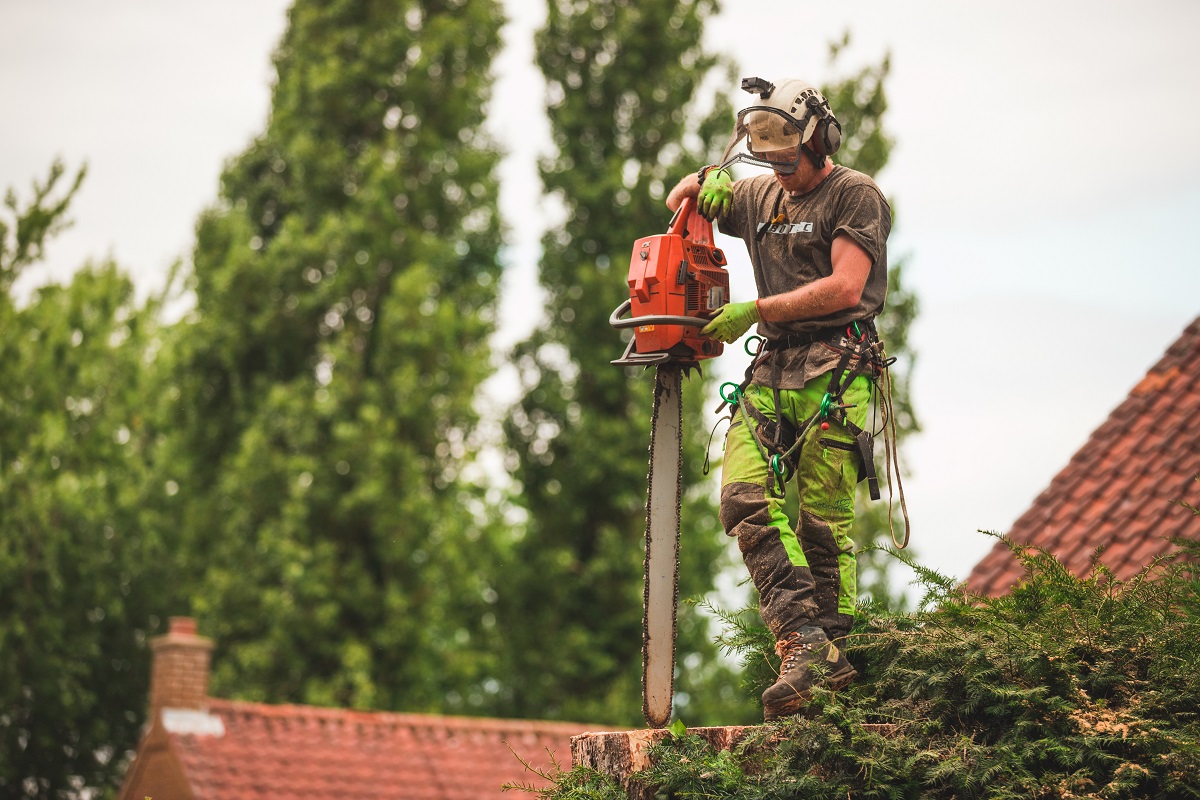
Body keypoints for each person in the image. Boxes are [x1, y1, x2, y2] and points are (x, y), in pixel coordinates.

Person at [666, 77, 892, 721]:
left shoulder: (856, 195)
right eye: (768, 159)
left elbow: (847, 287)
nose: (780, 173)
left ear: (818, 141)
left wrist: (756, 308)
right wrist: (703, 180)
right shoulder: (760, 190)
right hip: (773, 367)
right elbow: (678, 197)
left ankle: (833, 668)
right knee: (742, 496)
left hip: (837, 366)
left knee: (823, 525)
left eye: (788, 160)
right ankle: (804, 642)